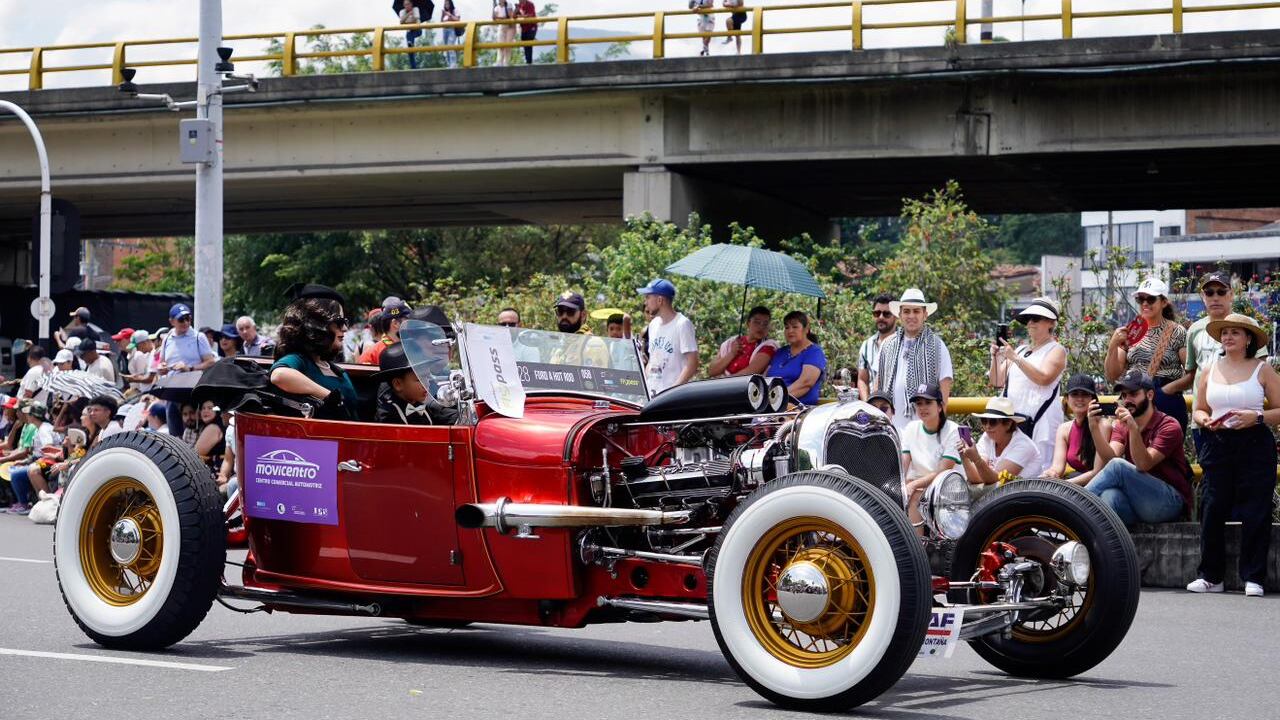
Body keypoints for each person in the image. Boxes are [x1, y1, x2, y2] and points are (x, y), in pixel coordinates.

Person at [1187, 314, 1279, 598]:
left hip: (1255, 442)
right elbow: (1199, 409)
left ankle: (1254, 576)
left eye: (1235, 332)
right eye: (1225, 332)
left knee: (1256, 509)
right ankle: (1210, 576)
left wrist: (1257, 417)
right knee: (1212, 507)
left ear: (1248, 339)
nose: (1228, 337)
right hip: (1217, 442)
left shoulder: (1263, 369)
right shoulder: (1210, 369)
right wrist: (1204, 420)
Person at [1163, 271, 1266, 454]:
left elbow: (1262, 372)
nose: (1215, 297)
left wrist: (1257, 416)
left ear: (1231, 294)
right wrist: (1163, 391)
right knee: (1210, 470)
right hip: (1204, 423)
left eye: (1221, 291)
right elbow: (1192, 374)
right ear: (1203, 297)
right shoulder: (1195, 330)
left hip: (1243, 424)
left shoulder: (1248, 325)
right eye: (1209, 292)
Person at [1085, 370, 1191, 526]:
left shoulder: (1169, 426)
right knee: (1109, 495)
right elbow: (1109, 459)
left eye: (1133, 394)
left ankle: (1071, 506)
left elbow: (1143, 464)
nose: (1127, 400)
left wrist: (1133, 429)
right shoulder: (1122, 425)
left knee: (1118, 466)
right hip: (1139, 503)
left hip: (1169, 502)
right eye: (1124, 395)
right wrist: (1094, 428)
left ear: (1150, 395)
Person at [989, 297, 1066, 478]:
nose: (1030, 323)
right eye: (1028, 319)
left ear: (1051, 323)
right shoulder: (1021, 350)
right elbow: (997, 381)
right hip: (1015, 422)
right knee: (1009, 474)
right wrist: (995, 358)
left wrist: (1015, 359)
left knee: (1040, 473)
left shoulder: (1057, 350)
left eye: (1036, 319)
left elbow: (1044, 378)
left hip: (1041, 421)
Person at [1105, 277, 1188, 431]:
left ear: (1164, 302)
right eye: (1140, 299)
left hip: (1166, 399)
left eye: (1150, 299)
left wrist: (1166, 390)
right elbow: (1112, 375)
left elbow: (1191, 374)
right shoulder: (1131, 331)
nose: (1144, 303)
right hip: (1134, 397)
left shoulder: (1177, 331)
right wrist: (1113, 345)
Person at [875, 288, 954, 431]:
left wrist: (936, 430)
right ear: (899, 315)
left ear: (925, 314)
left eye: (916, 311)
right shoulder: (887, 345)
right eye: (906, 311)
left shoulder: (937, 346)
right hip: (890, 428)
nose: (911, 316)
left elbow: (944, 389)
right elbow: (878, 385)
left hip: (924, 430)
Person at [270, 298, 358, 421]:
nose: (344, 328)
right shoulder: (299, 360)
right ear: (318, 325)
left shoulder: (336, 370)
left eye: (345, 321)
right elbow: (279, 375)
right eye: (339, 322)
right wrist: (328, 396)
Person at [900, 383, 961, 527]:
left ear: (940, 407)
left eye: (928, 402)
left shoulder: (953, 430)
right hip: (920, 485)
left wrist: (913, 485)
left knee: (915, 496)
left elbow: (943, 472)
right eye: (919, 403)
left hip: (949, 488)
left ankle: (916, 541)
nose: (922, 407)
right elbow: (903, 466)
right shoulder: (911, 428)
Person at [1043, 373, 1114, 486]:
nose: (1080, 399)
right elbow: (1057, 468)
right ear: (1067, 399)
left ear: (1093, 399)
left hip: (1101, 485)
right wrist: (1050, 475)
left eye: (1085, 394)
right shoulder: (1064, 429)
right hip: (1076, 483)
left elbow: (1097, 472)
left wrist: (1064, 485)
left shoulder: (1103, 426)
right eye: (1074, 394)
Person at [959, 397, 1042, 490]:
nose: (987, 426)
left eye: (993, 422)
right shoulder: (987, 437)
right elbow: (976, 479)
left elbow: (995, 481)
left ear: (1008, 424)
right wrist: (964, 457)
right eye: (984, 420)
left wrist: (977, 459)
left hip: (1028, 496)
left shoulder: (1024, 446)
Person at [373, 343, 458, 425]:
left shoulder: (423, 405)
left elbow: (447, 415)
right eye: (419, 379)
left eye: (427, 377)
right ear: (398, 384)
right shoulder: (388, 417)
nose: (427, 383)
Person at [639, 279, 698, 395]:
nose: (645, 302)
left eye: (648, 297)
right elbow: (652, 360)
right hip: (652, 394)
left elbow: (692, 363)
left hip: (672, 397)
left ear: (660, 300)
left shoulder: (682, 324)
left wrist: (672, 392)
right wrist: (645, 386)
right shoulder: (653, 324)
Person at [1, 401, 54, 515]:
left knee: (17, 474)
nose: (26, 416)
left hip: (48, 462)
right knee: (17, 468)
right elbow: (34, 452)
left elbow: (48, 448)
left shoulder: (44, 429)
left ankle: (28, 504)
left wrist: (34, 462)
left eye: (28, 414)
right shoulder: (40, 427)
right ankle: (38, 503)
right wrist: (25, 461)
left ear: (33, 416)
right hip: (41, 460)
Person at [767, 311, 826, 406]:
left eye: (795, 327)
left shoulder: (814, 352)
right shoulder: (780, 352)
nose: (790, 331)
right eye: (787, 327)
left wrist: (776, 398)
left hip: (798, 408)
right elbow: (765, 378)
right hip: (771, 405)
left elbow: (805, 383)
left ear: (806, 329)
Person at [707, 306, 777, 378]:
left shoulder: (768, 347)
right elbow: (712, 371)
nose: (761, 327)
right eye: (757, 322)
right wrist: (732, 353)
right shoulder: (731, 342)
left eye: (765, 324)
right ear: (748, 323)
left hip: (742, 384)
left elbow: (750, 373)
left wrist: (723, 382)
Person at [549, 291, 610, 367]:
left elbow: (595, 374)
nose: (564, 316)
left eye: (570, 311)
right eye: (560, 311)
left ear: (583, 315)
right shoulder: (560, 345)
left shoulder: (592, 344)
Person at [857, 294, 897, 400]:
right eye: (877, 313)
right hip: (873, 404)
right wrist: (867, 404)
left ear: (896, 315)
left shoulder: (904, 342)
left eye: (886, 314)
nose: (881, 317)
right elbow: (862, 380)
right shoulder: (866, 345)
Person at [359, 299, 412, 365]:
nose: (413, 323)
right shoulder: (371, 356)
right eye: (409, 320)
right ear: (395, 323)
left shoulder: (415, 346)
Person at [194, 400, 226, 478]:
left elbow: (195, 454)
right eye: (203, 408)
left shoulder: (213, 428)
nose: (205, 411)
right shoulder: (208, 426)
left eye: (210, 408)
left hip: (215, 473)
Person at [121, 330, 157, 395]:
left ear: (144, 343)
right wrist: (134, 377)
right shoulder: (147, 355)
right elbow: (145, 375)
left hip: (152, 393)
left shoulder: (155, 354)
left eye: (137, 346)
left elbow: (151, 378)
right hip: (146, 392)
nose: (137, 349)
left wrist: (134, 379)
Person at [400, 0, 424, 69]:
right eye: (405, 4)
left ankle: (410, 43)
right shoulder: (402, 11)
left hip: (417, 30)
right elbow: (401, 22)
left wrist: (408, 19)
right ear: (403, 5)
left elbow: (415, 20)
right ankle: (413, 67)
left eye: (408, 4)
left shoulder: (416, 9)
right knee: (410, 48)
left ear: (411, 4)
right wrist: (409, 14)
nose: (407, 6)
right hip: (409, 31)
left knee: (410, 39)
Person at [441, 0, 463, 68]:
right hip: (445, 30)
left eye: (447, 3)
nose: (446, 5)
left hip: (452, 29)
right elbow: (441, 22)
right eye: (445, 4)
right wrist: (442, 15)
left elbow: (458, 19)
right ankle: (449, 63)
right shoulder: (445, 12)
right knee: (446, 47)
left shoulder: (455, 10)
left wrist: (449, 15)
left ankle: (453, 63)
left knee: (450, 45)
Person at [514, 0, 538, 64]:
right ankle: (528, 61)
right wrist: (516, 9)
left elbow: (530, 15)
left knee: (529, 44)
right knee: (525, 44)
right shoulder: (519, 6)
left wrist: (520, 16)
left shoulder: (530, 4)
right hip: (524, 28)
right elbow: (514, 16)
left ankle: (529, 62)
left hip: (531, 27)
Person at [493, 0, 515, 66]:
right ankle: (499, 61)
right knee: (500, 44)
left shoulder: (509, 4)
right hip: (501, 26)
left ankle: (506, 62)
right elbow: (494, 18)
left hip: (510, 27)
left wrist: (499, 18)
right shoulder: (496, 7)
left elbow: (510, 16)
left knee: (508, 44)